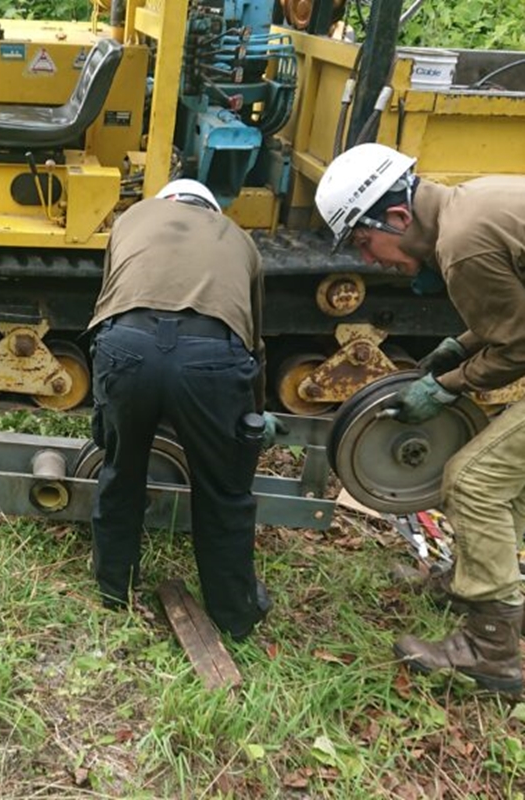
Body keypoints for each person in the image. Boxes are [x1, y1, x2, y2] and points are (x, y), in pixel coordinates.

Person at [315, 143, 525, 694]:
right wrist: (458, 346)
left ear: (399, 217)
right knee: (509, 480)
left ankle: (491, 649)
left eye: (365, 241)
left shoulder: (463, 245)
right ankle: (476, 582)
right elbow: (513, 314)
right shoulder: (469, 206)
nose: (368, 259)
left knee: (474, 479)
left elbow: (519, 345)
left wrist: (444, 386)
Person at [86, 178, 284, 640]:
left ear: (167, 201)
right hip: (211, 357)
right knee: (223, 491)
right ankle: (235, 614)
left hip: (125, 346)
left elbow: (111, 297)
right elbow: (253, 339)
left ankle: (115, 587)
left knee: (119, 470)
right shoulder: (238, 239)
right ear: (212, 209)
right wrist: (251, 416)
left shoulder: (131, 218)